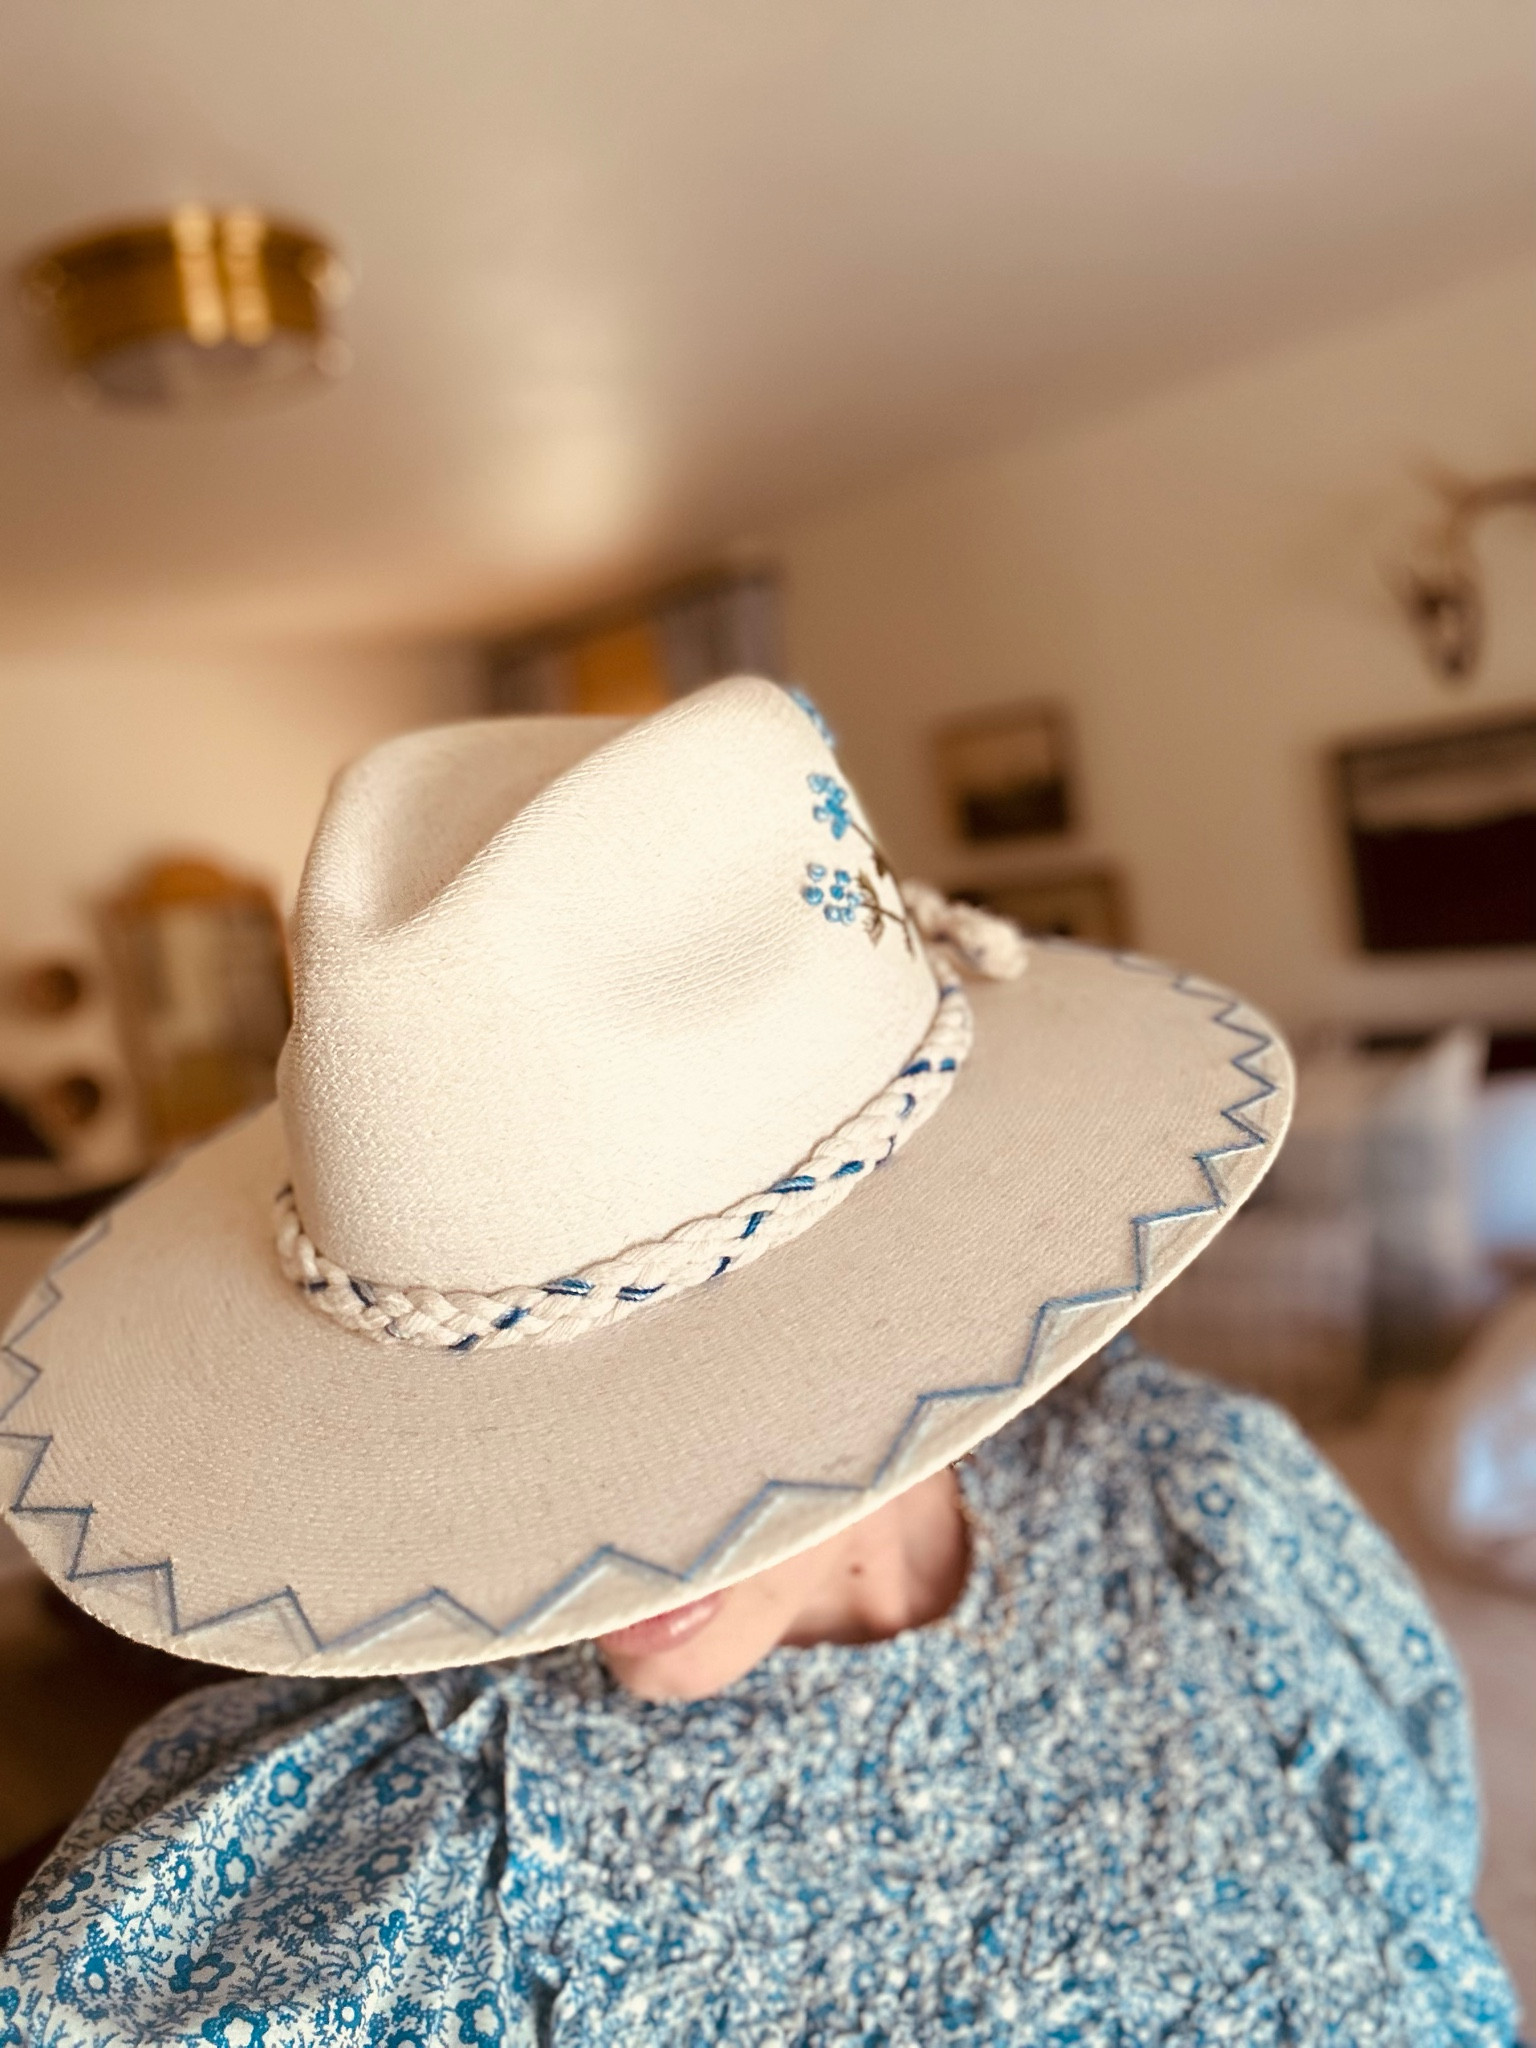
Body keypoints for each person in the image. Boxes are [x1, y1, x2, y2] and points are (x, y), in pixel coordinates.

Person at [0, 680, 1519, 2045]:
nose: (577, 1532)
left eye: (659, 1401)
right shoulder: (408, 1829)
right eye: (493, 1424)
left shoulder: (1210, 1509)